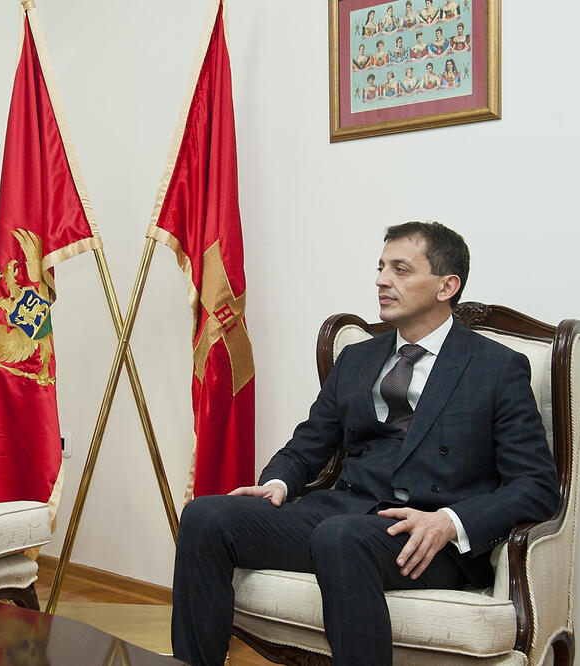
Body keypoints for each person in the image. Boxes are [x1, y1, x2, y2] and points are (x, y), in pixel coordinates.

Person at [171, 222, 560, 666]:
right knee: (205, 516)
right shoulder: (358, 358)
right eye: (380, 268)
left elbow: (535, 485)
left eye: (400, 269)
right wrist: (278, 482)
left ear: (446, 286)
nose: (381, 279)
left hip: (424, 537)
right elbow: (308, 443)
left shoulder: (497, 367)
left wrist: (449, 523)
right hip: (343, 515)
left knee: (342, 538)